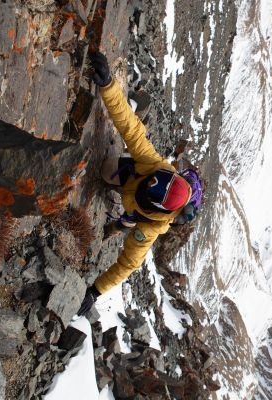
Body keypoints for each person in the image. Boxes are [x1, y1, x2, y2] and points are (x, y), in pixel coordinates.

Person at [78, 52, 194, 316]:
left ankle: (117, 226)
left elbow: (128, 263)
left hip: (138, 212)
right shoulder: (155, 165)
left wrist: (95, 291)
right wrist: (107, 85)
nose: (152, 177)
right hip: (132, 181)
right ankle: (119, 211)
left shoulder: (150, 228)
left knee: (129, 219)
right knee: (107, 172)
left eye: (150, 185)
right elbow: (130, 127)